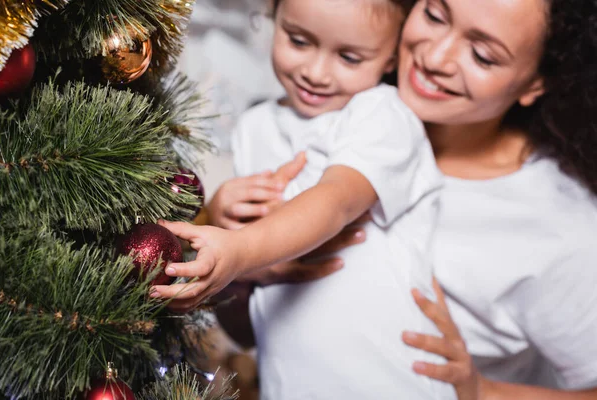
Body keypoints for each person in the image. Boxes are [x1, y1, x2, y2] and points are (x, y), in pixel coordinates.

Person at [197, 0, 597, 398]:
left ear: (536, 82)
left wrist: (484, 391)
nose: (435, 57)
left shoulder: (563, 227)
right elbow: (253, 331)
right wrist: (246, 262)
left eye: (482, 55)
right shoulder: (323, 111)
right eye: (435, 16)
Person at [153, 0, 457, 398]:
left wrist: (238, 250)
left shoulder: (384, 113)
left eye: (349, 57)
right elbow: (258, 259)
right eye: (298, 40)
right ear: (274, 19)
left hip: (391, 379)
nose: (315, 72)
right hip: (290, 381)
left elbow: (336, 201)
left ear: (390, 56)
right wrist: (225, 212)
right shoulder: (254, 126)